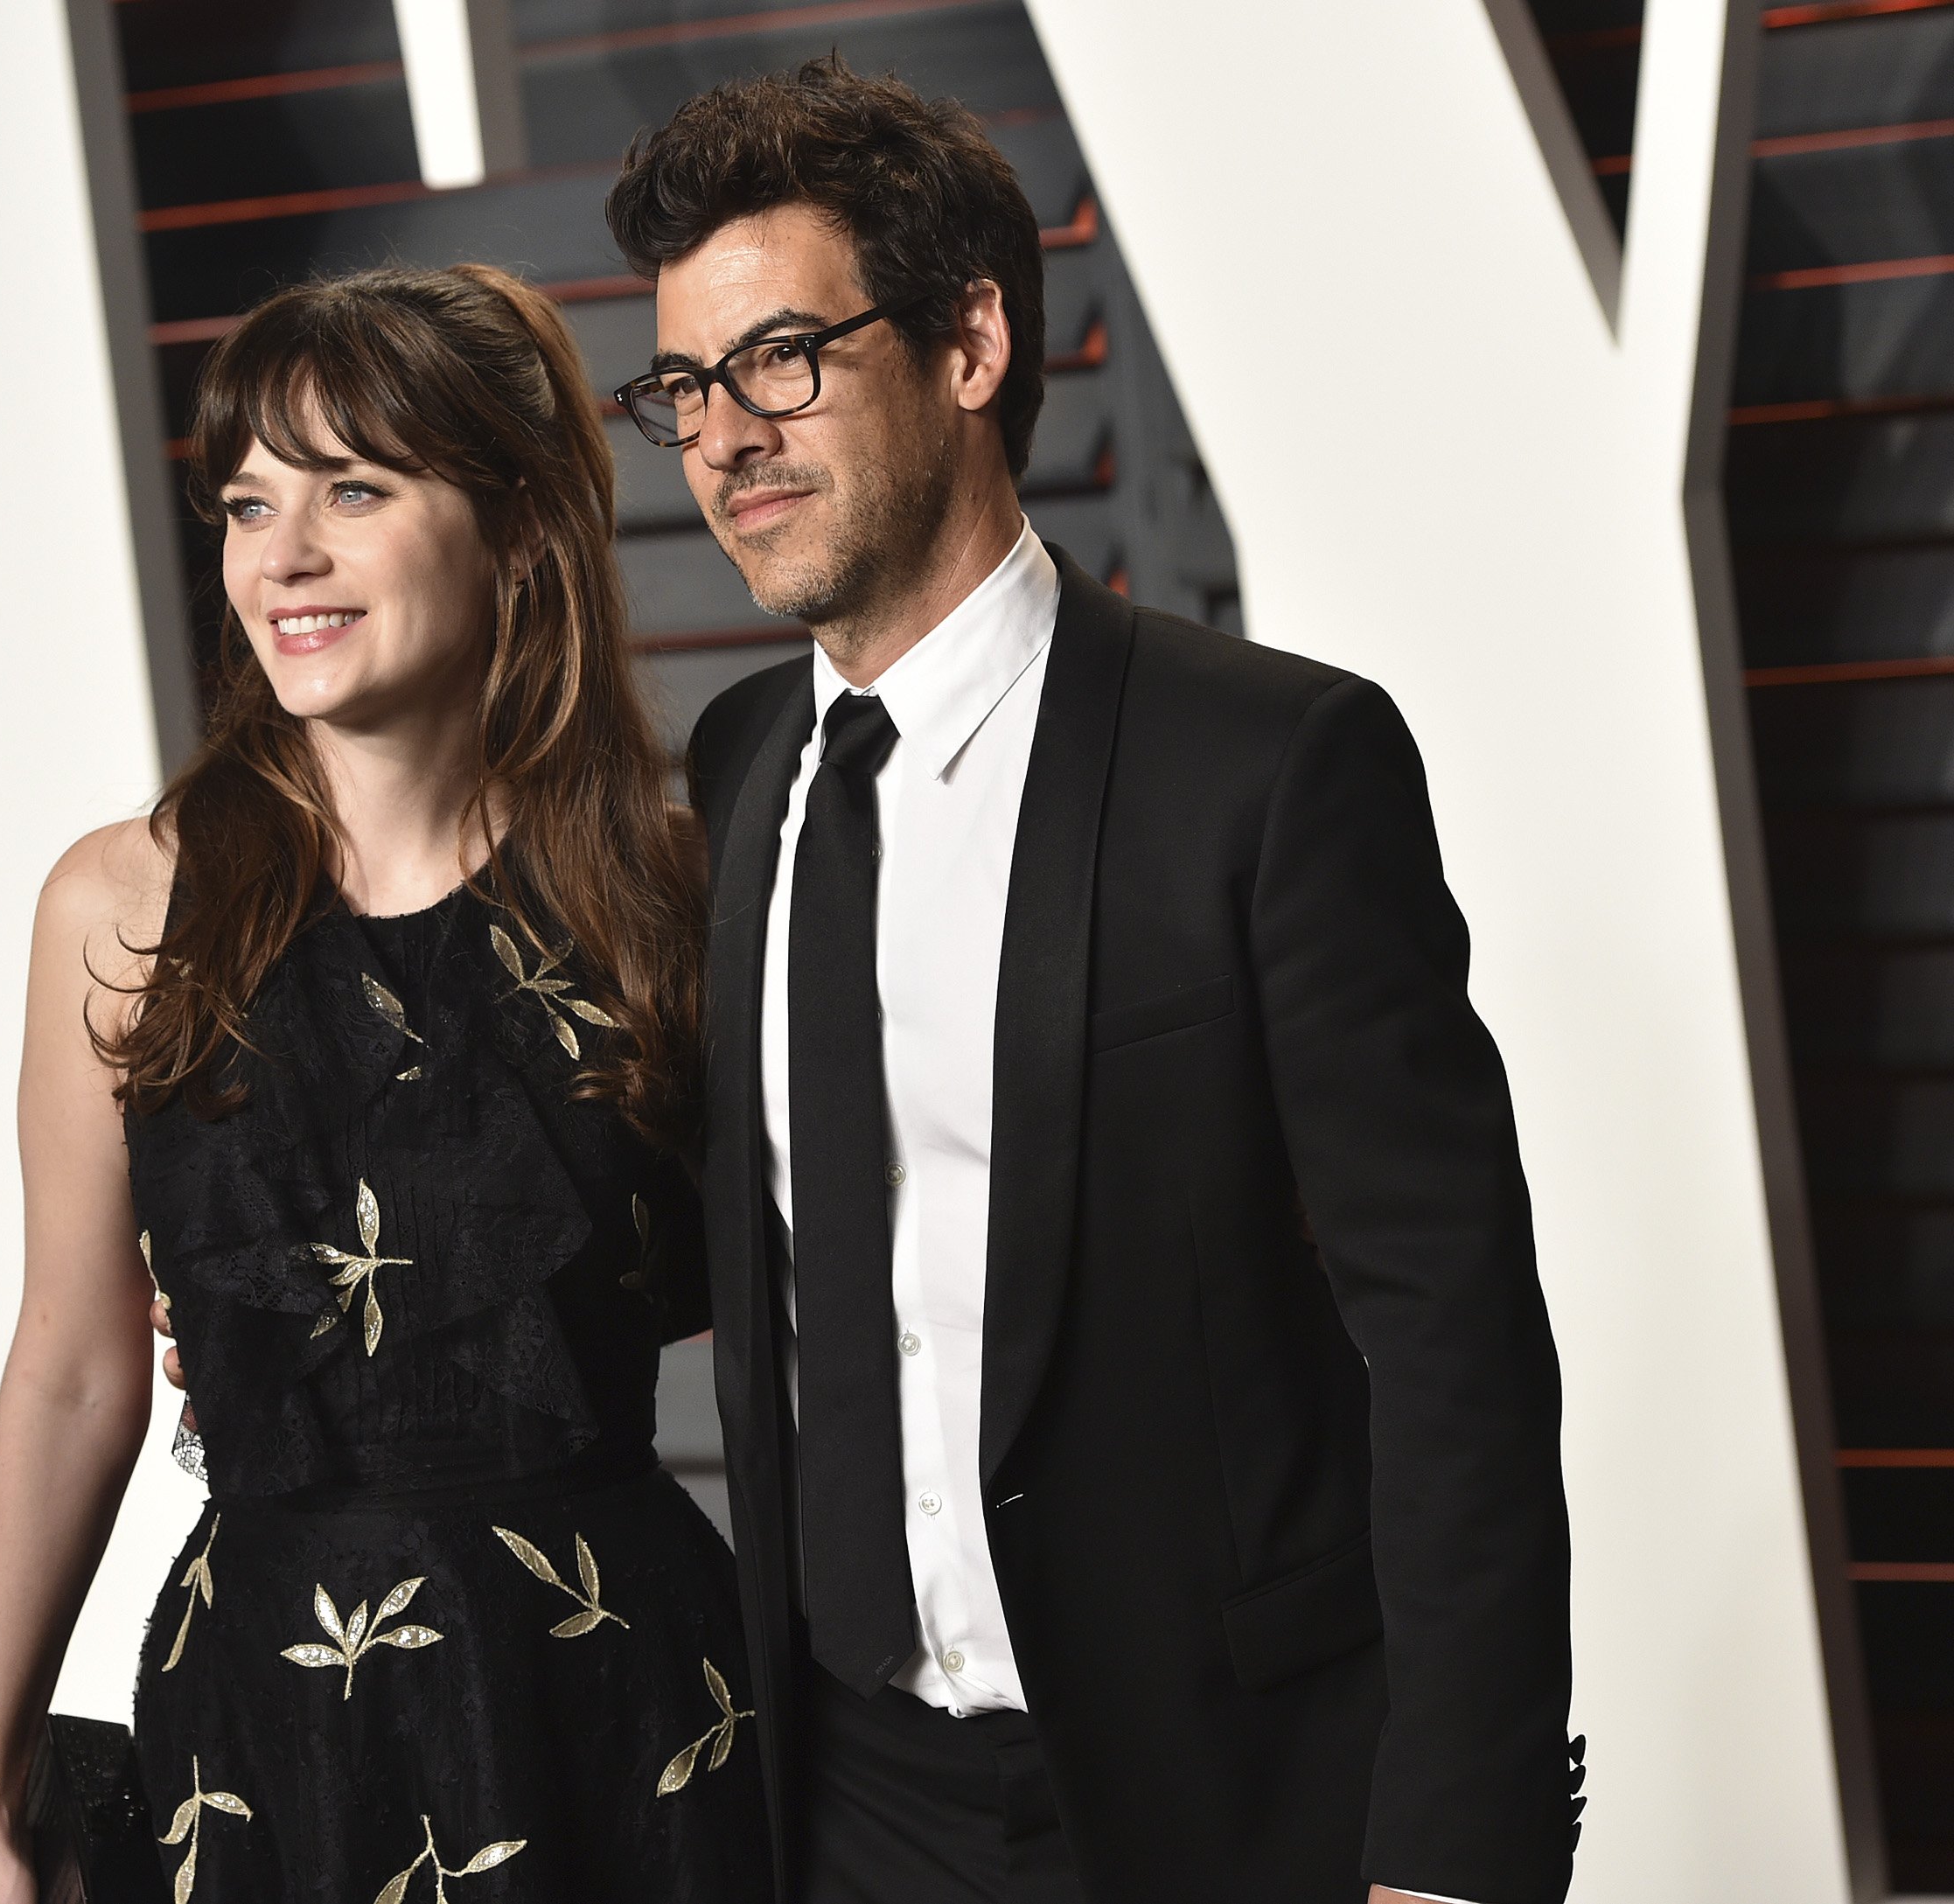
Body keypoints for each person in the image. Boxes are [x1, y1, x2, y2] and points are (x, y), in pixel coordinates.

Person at [593, 55, 1581, 1904]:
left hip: (1224, 1794)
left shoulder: (1273, 767)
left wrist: (1457, 1847)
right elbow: (748, 1244)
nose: (724, 437)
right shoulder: (736, 772)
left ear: (971, 342)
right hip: (847, 1798)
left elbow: (1451, 1337)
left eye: (783, 357)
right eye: (682, 388)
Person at [0, 262, 769, 1904]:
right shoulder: (121, 905)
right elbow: (71, 1367)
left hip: (615, 1711)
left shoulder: (677, 893)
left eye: (355, 489)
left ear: (513, 522)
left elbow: (799, 1313)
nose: (285, 556)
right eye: (250, 505)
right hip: (265, 1736)